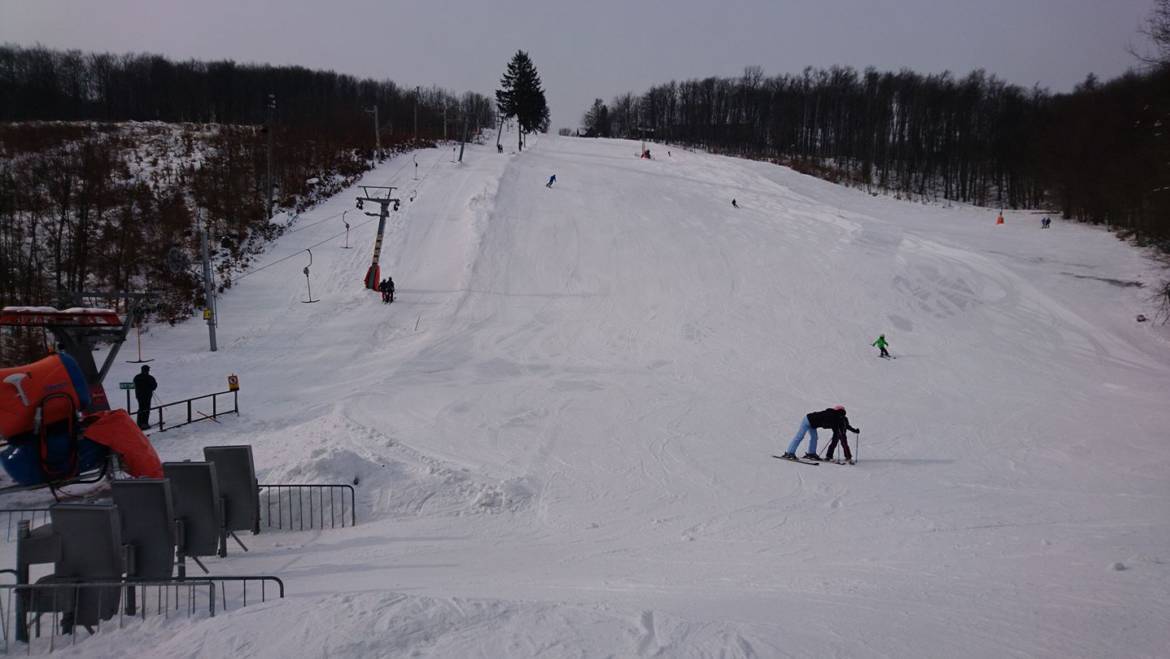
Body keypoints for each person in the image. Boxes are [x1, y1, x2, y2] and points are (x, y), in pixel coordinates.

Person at [779, 406, 857, 461]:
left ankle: (811, 453)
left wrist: (837, 428)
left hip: (813, 424)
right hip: (808, 420)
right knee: (800, 436)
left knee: (814, 437)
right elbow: (825, 424)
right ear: (838, 412)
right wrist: (835, 426)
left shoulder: (836, 418)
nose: (842, 416)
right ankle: (789, 453)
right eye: (841, 413)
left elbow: (829, 425)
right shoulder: (830, 414)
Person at [132, 365, 157, 430]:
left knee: (141, 408)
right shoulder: (150, 378)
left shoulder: (137, 377)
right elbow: (154, 386)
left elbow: (134, 384)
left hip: (139, 396)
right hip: (147, 396)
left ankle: (139, 423)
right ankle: (144, 424)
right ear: (148, 370)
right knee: (146, 409)